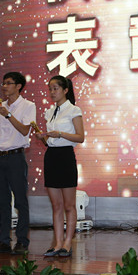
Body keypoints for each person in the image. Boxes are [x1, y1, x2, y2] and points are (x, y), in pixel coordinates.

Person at [0, 71, 37, 256]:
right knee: (2, 201)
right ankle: (3, 241)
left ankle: (22, 241)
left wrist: (7, 115)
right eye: (3, 83)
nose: (4, 86)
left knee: (20, 201)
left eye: (8, 83)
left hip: (15, 157)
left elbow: (24, 130)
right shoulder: (0, 107)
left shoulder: (28, 106)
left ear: (18, 86)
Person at [35, 75, 86, 258]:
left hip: (66, 157)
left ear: (65, 90)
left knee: (69, 205)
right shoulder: (49, 112)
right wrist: (44, 137)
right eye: (50, 89)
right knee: (56, 205)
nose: (52, 92)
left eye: (55, 88)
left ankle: (67, 244)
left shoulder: (74, 110)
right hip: (51, 156)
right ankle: (57, 244)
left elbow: (80, 137)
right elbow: (50, 140)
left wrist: (60, 134)